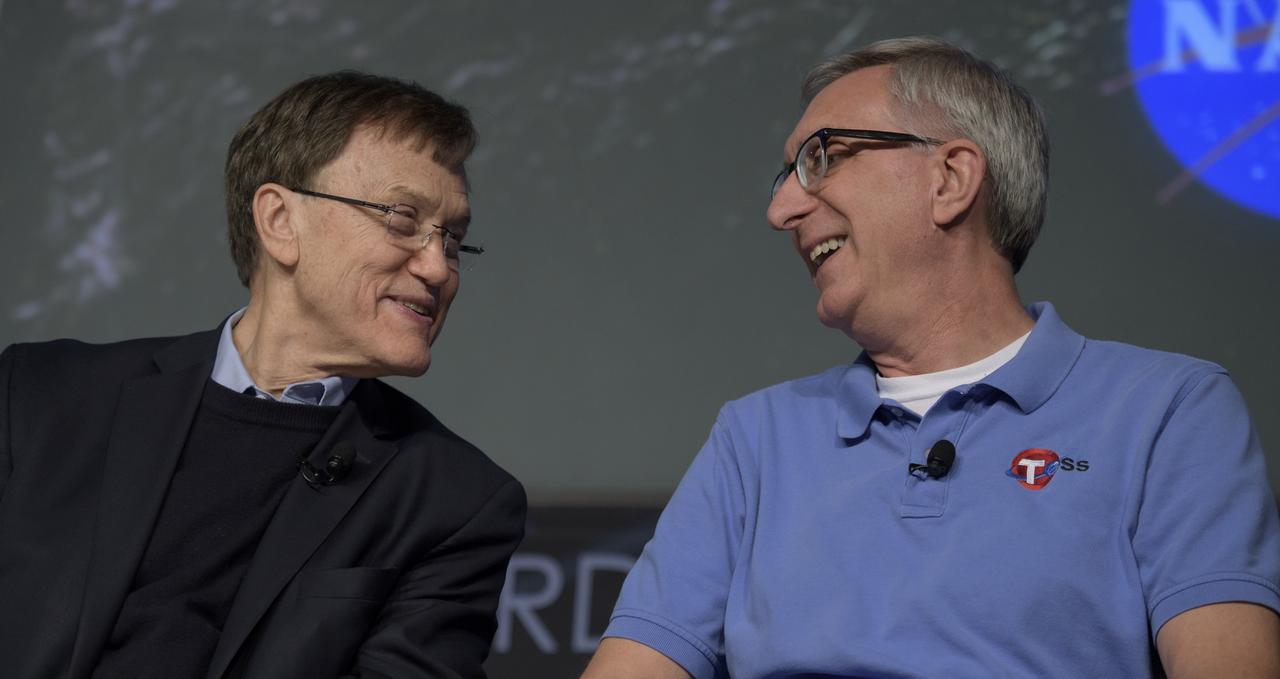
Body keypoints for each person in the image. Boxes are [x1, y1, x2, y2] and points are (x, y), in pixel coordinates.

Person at [582, 36, 1280, 678]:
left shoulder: (1166, 409)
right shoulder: (756, 438)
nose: (783, 208)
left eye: (819, 157)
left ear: (950, 178)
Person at [0, 71, 525, 679]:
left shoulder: (455, 501)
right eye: (403, 219)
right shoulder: (38, 396)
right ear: (279, 220)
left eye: (453, 239)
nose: (438, 267)